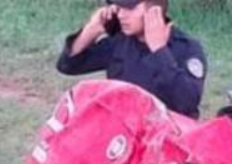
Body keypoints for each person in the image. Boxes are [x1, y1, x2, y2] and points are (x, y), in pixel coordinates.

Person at [57, 0, 207, 118]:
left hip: (165, 140)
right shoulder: (120, 41)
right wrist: (91, 29)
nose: (122, 15)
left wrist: (159, 51)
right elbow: (68, 65)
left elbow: (187, 103)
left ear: (154, 11)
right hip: (123, 134)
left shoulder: (186, 48)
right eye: (119, 7)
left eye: (129, 8)